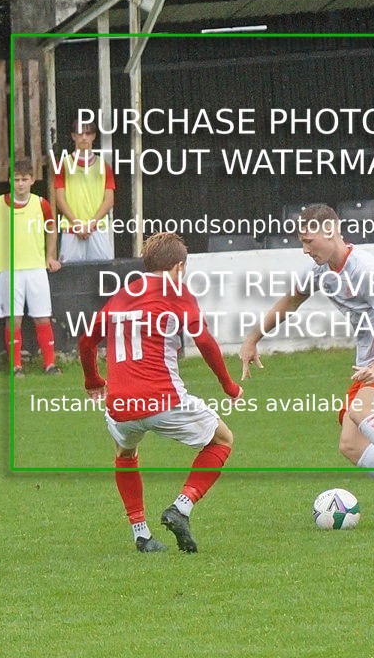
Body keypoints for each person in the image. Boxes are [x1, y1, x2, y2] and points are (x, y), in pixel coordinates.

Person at [240, 204, 374, 527]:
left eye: (310, 241)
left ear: (331, 232)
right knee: (350, 444)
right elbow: (290, 301)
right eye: (302, 242)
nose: (305, 249)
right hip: (368, 363)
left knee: (361, 411)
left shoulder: (366, 268)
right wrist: (253, 338)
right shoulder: (321, 273)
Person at [78, 232, 243, 554]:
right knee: (222, 440)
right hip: (162, 399)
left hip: (120, 406)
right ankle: (181, 508)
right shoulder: (175, 291)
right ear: (179, 266)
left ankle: (141, 534)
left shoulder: (122, 295)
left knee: (125, 455)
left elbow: (86, 341)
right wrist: (228, 385)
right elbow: (204, 340)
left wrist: (92, 381)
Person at [0, 158, 62, 377]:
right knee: (13, 318)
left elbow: (51, 229)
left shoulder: (40, 203)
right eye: (16, 179)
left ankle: (50, 364)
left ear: (32, 180)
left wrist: (50, 256)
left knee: (42, 316)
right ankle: (16, 366)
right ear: (11, 181)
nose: (21, 184)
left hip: (36, 269)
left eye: (24, 179)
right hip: (8, 269)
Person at [54, 118, 115, 263]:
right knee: (69, 274)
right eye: (80, 133)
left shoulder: (103, 165)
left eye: (88, 133)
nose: (84, 137)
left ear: (94, 136)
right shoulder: (63, 164)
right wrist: (77, 225)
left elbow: (109, 200)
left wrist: (90, 225)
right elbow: (59, 199)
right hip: (71, 229)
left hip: (97, 229)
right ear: (73, 136)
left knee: (103, 274)